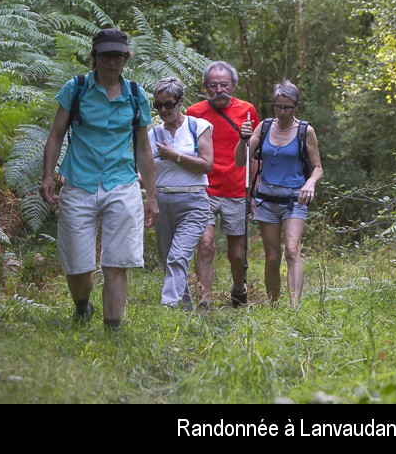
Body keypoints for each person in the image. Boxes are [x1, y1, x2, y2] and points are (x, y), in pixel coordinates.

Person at [40, 28, 158, 331]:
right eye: (105, 55)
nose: (111, 61)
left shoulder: (135, 94)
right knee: (78, 267)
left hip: (122, 184)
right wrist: (47, 177)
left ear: (125, 57)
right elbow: (55, 136)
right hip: (80, 183)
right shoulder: (76, 88)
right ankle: (82, 306)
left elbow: (143, 148)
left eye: (117, 55)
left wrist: (152, 197)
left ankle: (112, 328)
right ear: (95, 56)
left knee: (117, 262)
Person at [236, 80, 322, 309]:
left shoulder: (305, 131)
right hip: (266, 199)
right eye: (278, 106)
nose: (282, 112)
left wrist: (310, 183)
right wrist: (242, 139)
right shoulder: (263, 127)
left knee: (292, 250)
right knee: (272, 257)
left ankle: (295, 306)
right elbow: (239, 160)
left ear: (296, 106)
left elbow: (317, 167)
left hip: (295, 198)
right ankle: (273, 304)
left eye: (287, 107)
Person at [186, 60, 259, 307]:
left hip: (237, 190)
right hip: (203, 189)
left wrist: (255, 190)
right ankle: (204, 300)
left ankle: (238, 289)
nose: (219, 90)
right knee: (205, 244)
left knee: (237, 254)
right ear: (206, 87)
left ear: (234, 86)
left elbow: (254, 153)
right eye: (213, 85)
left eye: (224, 84)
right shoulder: (194, 113)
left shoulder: (247, 111)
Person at [148, 77, 214, 310]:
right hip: (163, 200)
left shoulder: (199, 126)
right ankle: (184, 310)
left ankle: (168, 305)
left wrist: (174, 155)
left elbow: (207, 164)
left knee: (178, 255)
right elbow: (144, 172)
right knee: (169, 259)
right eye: (158, 105)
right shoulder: (153, 134)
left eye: (168, 104)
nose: (164, 110)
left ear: (181, 101)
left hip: (194, 200)